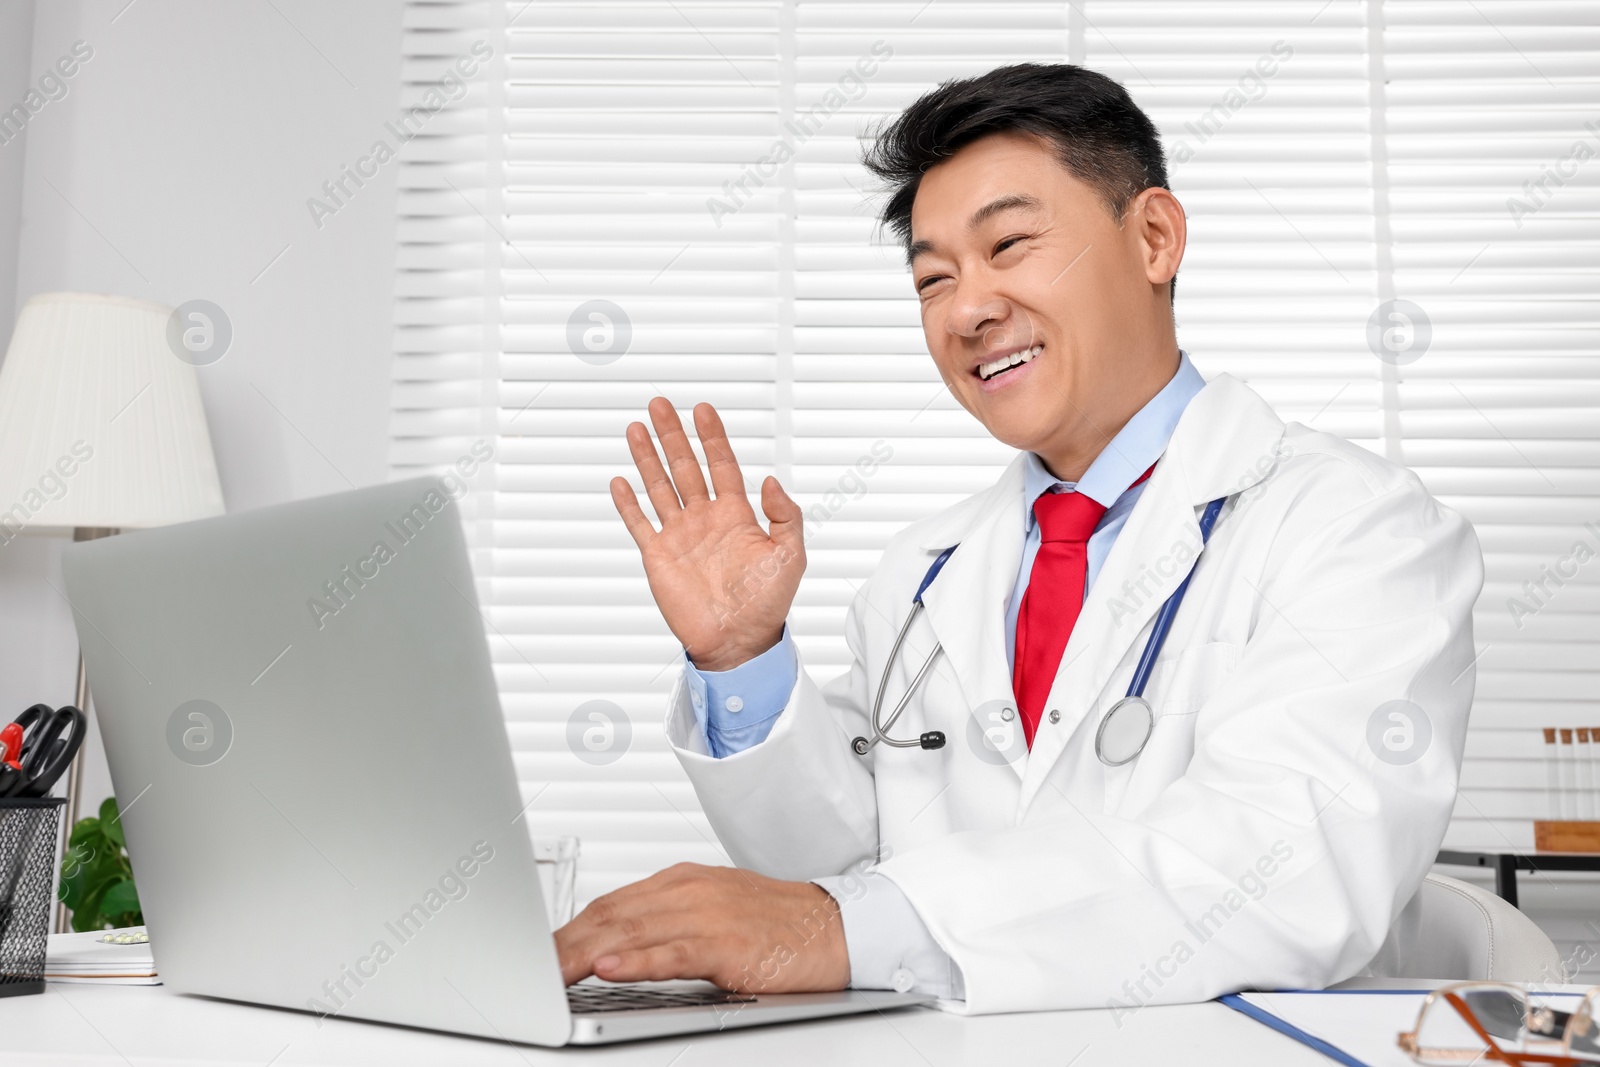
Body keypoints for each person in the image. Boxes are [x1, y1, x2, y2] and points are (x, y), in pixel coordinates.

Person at [553, 63, 1484, 1015]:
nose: (966, 310)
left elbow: (1285, 863)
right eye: (932, 279)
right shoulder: (922, 576)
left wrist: (840, 925)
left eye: (1009, 244)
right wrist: (740, 659)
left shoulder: (1355, 528)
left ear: (1154, 238)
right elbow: (832, 888)